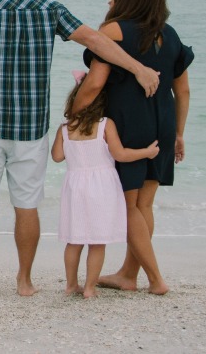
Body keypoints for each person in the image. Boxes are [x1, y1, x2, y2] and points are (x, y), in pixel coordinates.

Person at [0, 0, 160, 298]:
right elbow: (96, 40)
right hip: (32, 129)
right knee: (27, 205)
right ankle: (25, 282)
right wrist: (138, 68)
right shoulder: (49, 8)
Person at [73, 0, 194, 295]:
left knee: (129, 206)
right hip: (163, 124)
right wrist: (179, 133)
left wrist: (73, 112)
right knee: (143, 205)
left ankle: (156, 280)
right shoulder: (169, 34)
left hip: (129, 124)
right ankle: (129, 274)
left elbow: (96, 83)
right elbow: (182, 90)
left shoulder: (114, 30)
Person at [52, 71, 159, 299]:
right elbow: (120, 154)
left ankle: (71, 285)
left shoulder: (66, 128)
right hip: (101, 187)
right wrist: (147, 152)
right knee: (97, 241)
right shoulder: (105, 125)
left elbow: (57, 156)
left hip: (75, 186)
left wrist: (65, 137)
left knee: (74, 239)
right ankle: (89, 288)